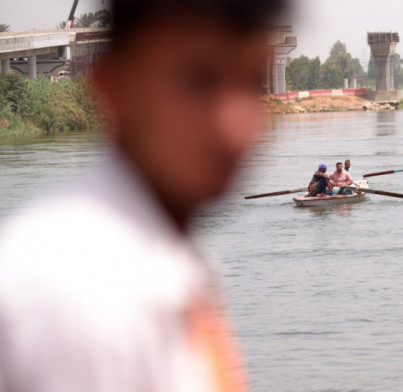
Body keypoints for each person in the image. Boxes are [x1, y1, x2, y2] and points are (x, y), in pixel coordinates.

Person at [0, 1, 289, 391]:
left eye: (253, 85)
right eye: (198, 81)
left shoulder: (167, 260)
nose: (232, 125)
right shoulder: (72, 293)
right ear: (112, 87)